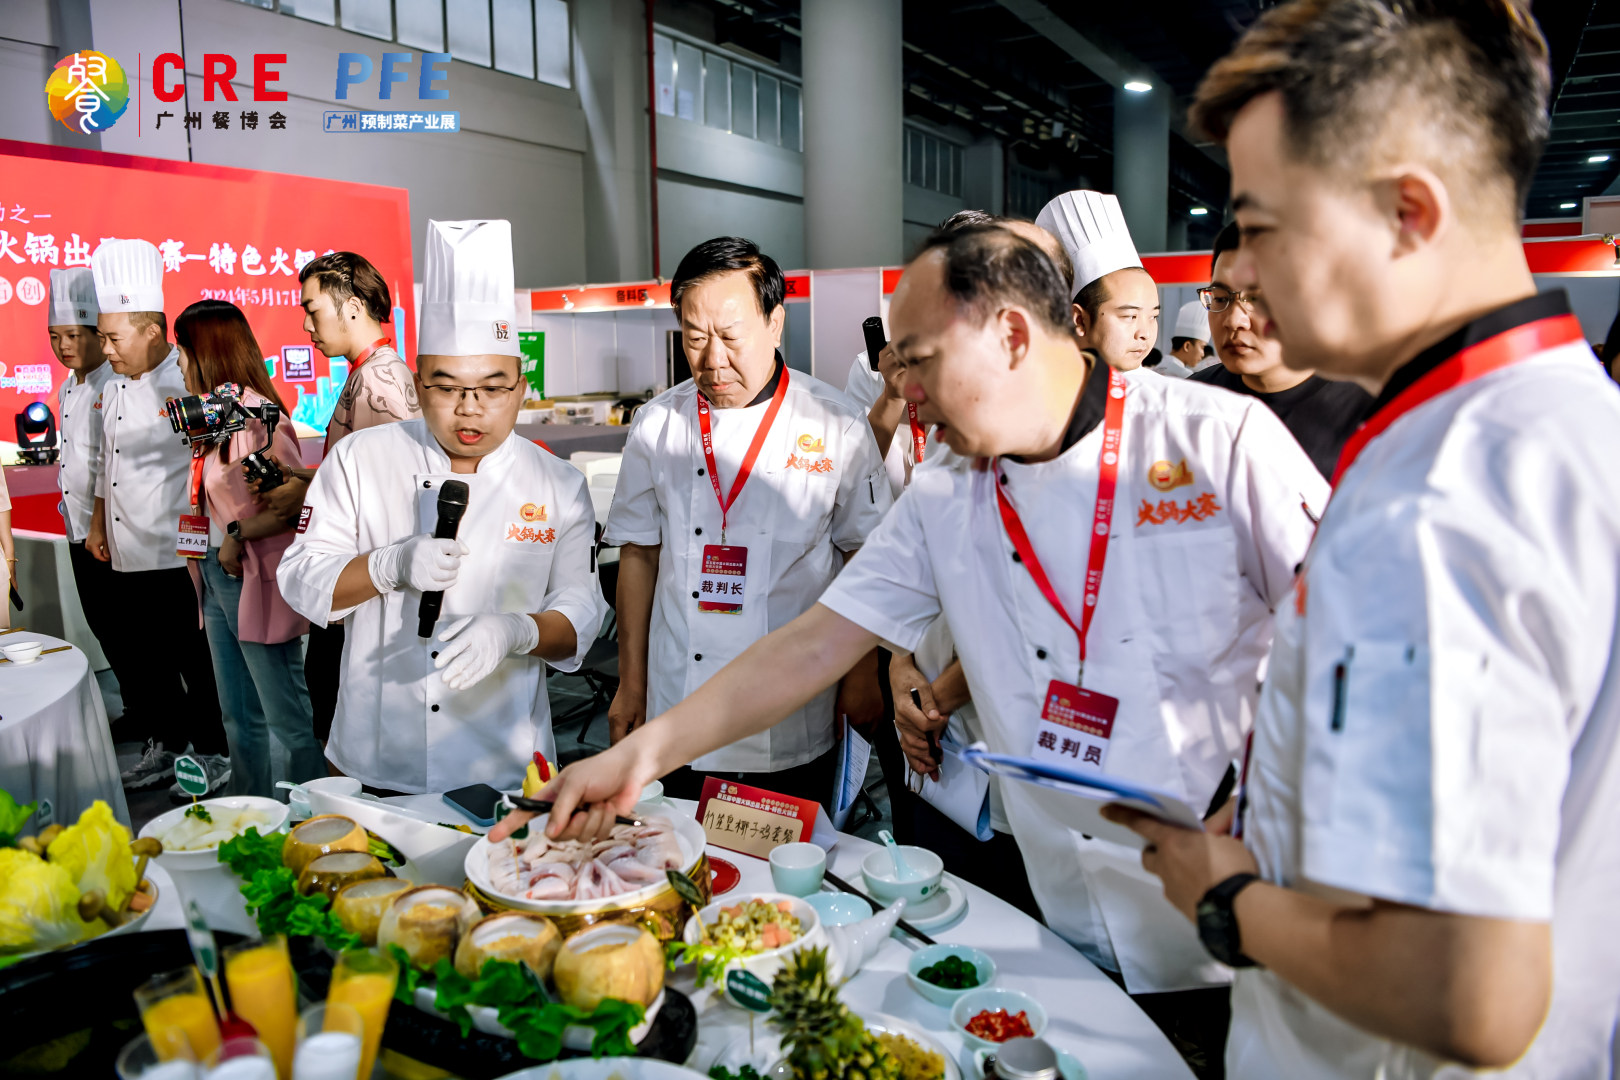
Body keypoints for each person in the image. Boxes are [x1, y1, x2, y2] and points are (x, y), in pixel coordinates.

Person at [509, 227, 1326, 1071]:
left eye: (919, 359)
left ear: (1011, 336)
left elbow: (1350, 658)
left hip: (1243, 899)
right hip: (1051, 891)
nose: (905, 391)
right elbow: (813, 643)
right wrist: (641, 755)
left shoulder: (1217, 441)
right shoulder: (947, 490)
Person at [1102, 3, 1620, 1078]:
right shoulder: (1558, 426)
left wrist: (1225, 897)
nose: (1242, 275)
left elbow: (1467, 991)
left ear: (1407, 212)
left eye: (1262, 225)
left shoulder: (1440, 500)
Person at [277, 220, 606, 794]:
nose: (469, 409)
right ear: (418, 383)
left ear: (522, 388)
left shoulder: (556, 483)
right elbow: (302, 577)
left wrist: (517, 631)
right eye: (446, 387)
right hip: (378, 750)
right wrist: (388, 566)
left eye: (493, 388)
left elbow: (581, 611)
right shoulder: (360, 459)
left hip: (503, 759)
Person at [603, 236, 892, 807]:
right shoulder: (658, 425)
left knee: (782, 879)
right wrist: (630, 683)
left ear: (775, 323)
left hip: (790, 715)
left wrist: (859, 677)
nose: (713, 360)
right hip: (675, 704)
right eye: (694, 338)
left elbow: (866, 556)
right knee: (677, 862)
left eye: (731, 336)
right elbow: (639, 554)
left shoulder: (836, 425)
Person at [252, 251, 421, 747]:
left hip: (363, 585)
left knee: (341, 720)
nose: (306, 325)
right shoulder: (366, 374)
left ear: (351, 309)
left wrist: (303, 498)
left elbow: (390, 502)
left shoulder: (378, 384)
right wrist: (307, 478)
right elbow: (357, 477)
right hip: (357, 579)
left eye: (312, 309)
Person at [88, 239, 230, 796]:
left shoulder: (187, 381)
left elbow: (221, 462)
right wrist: (99, 526)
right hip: (127, 550)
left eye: (112, 337)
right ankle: (168, 748)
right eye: (101, 336)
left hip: (178, 552)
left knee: (195, 661)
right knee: (148, 662)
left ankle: (215, 751)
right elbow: (107, 464)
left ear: (151, 331)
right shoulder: (115, 382)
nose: (106, 347)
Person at [173, 299, 321, 799]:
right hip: (214, 578)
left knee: (285, 712)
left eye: (183, 350)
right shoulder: (213, 420)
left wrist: (236, 537)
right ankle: (250, 805)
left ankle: (309, 812)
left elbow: (285, 506)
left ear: (206, 353)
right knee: (237, 711)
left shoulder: (262, 419)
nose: (178, 362)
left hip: (251, 575)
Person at [1190, 223, 1372, 479]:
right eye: (1220, 298)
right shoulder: (1193, 402)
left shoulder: (1369, 411)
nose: (1233, 320)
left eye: (1256, 298)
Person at [45, 268, 121, 665]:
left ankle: (157, 719)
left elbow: (106, 463)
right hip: (77, 527)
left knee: (124, 626)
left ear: (98, 334)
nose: (64, 346)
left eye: (73, 336)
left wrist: (97, 525)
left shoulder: (114, 382)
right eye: (55, 337)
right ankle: (134, 707)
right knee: (101, 623)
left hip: (106, 528)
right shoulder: (66, 386)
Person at [1037, 190, 1160, 371]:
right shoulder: (1042, 392)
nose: (1145, 334)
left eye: (1153, 317)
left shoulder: (1170, 396)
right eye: (1129, 316)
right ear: (1079, 320)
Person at [1157, 301, 1216, 379]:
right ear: (1187, 346)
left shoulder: (1157, 368)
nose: (1203, 354)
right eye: (1202, 347)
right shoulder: (1187, 376)